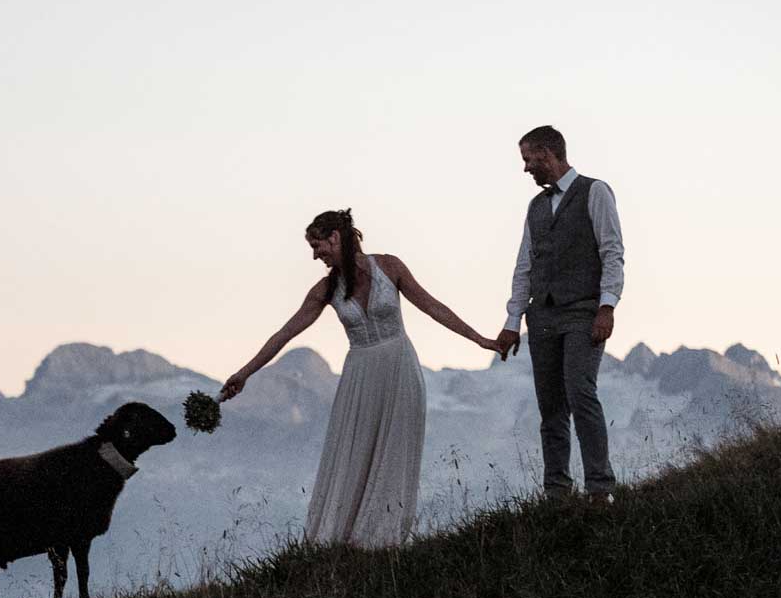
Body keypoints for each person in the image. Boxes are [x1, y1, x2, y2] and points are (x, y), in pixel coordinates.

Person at [220, 209, 503, 547]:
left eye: (317, 245)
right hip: (360, 375)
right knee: (353, 450)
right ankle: (342, 539)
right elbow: (285, 334)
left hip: (399, 365)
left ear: (335, 238)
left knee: (395, 448)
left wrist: (480, 339)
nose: (315, 255)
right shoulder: (325, 290)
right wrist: (244, 373)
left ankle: (383, 538)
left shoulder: (390, 267)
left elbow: (433, 307)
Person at [492, 125, 624, 500]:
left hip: (583, 312)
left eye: (528, 159)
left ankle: (600, 489)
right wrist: (512, 321)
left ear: (548, 154)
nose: (525, 169)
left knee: (580, 394)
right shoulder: (535, 207)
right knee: (550, 408)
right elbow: (524, 266)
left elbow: (612, 251)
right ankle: (557, 493)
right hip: (544, 318)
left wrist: (606, 307)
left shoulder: (594, 192)